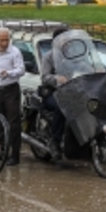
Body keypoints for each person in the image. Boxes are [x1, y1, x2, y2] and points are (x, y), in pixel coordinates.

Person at [0, 27, 25, 166]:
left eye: (7, 40)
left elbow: (21, 70)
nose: (4, 43)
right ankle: (3, 151)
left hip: (11, 90)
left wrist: (9, 73)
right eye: (2, 40)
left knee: (13, 123)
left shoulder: (15, 52)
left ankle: (15, 155)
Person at [40, 27, 69, 160]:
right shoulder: (49, 57)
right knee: (62, 106)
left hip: (70, 91)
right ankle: (55, 141)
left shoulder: (73, 55)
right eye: (63, 39)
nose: (66, 41)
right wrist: (57, 79)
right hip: (52, 93)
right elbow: (44, 77)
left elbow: (83, 66)